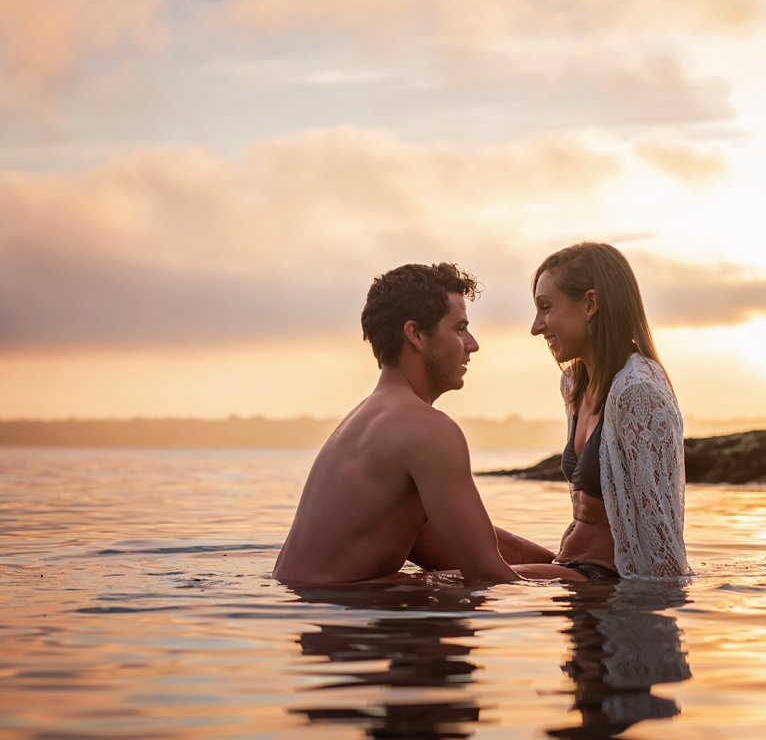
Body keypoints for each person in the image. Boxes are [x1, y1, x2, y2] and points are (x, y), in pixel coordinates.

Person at [272, 262, 574, 586]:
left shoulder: (368, 421)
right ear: (416, 335)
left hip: (308, 613)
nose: (472, 344)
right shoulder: (427, 431)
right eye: (459, 329)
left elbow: (450, 547)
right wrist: (586, 586)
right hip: (347, 618)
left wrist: (560, 563)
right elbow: (487, 574)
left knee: (428, 582)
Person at [530, 242, 689, 580]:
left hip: (602, 578)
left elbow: (660, 528)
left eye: (545, 308)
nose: (536, 326)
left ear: (590, 304)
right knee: (431, 531)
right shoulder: (574, 385)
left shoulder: (637, 390)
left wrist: (649, 613)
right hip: (570, 563)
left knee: (442, 581)